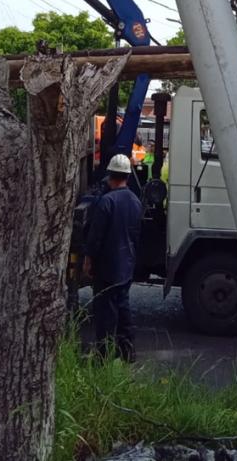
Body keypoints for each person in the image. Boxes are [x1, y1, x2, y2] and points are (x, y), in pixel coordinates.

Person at [82, 153, 143, 361]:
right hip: (126, 265)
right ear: (127, 175)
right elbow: (136, 235)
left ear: (110, 175)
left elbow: (95, 237)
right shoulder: (135, 201)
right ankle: (127, 349)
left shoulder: (106, 202)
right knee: (123, 306)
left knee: (104, 311)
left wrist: (88, 260)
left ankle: (103, 354)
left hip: (107, 267)